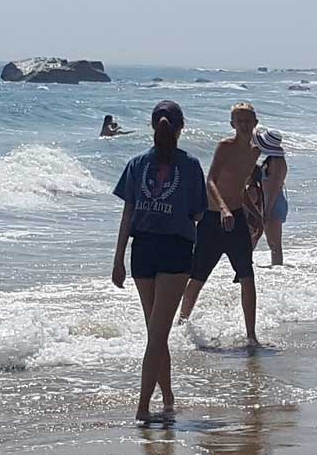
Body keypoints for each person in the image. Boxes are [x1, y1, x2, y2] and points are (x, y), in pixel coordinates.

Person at [111, 100, 209, 424]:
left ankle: (166, 399)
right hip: (175, 250)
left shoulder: (136, 164)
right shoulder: (191, 165)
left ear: (153, 126)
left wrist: (118, 259)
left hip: (142, 251)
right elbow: (197, 213)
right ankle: (144, 408)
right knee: (157, 334)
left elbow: (127, 214)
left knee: (156, 332)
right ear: (181, 128)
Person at [177, 103, 261, 345]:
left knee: (247, 276)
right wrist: (223, 209)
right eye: (239, 120)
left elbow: (240, 188)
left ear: (256, 122)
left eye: (248, 120)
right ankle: (181, 326)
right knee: (199, 276)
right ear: (232, 124)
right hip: (213, 220)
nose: (244, 125)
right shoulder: (225, 146)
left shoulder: (256, 151)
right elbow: (211, 181)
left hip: (236, 220)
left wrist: (256, 215)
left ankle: (251, 335)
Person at [252, 126, 289, 265]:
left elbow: (273, 189)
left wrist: (266, 211)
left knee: (274, 244)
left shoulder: (277, 163)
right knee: (264, 239)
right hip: (269, 201)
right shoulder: (272, 160)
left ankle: (278, 270)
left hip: (272, 202)